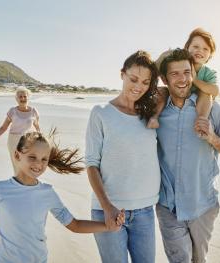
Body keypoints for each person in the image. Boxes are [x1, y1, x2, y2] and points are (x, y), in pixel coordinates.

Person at [0, 131, 125, 263]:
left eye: (44, 159)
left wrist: (107, 226)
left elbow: (74, 225)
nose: (38, 164)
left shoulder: (48, 193)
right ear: (17, 156)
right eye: (32, 157)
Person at [155, 48, 220, 263]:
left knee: (199, 259)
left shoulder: (213, 110)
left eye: (187, 72)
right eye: (174, 74)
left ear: (193, 74)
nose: (182, 79)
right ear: (164, 79)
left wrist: (213, 138)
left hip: (202, 205)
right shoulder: (157, 112)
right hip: (168, 206)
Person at [85, 50, 161, 263]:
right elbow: (91, 164)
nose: (139, 87)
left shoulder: (149, 114)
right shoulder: (101, 112)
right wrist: (107, 207)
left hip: (145, 211)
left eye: (146, 82)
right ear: (122, 74)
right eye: (133, 79)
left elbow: (165, 89)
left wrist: (154, 113)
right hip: (108, 210)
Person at [147, 28, 219, 134]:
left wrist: (194, 80)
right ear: (187, 48)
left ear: (210, 55)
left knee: (206, 94)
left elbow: (215, 91)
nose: (200, 51)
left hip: (198, 101)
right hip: (178, 95)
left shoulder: (208, 73)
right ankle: (154, 117)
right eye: (195, 46)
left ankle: (201, 120)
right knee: (163, 91)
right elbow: (155, 70)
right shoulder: (179, 60)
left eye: (205, 49)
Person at [0, 87, 40, 171]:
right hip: (13, 141)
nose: (23, 98)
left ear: (28, 97)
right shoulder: (12, 111)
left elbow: (37, 126)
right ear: (16, 99)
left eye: (25, 96)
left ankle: (27, 182)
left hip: (27, 141)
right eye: (20, 97)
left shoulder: (34, 111)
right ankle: (19, 182)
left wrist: (41, 140)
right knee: (17, 165)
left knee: (27, 164)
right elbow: (3, 127)